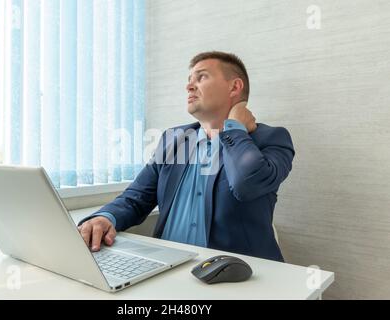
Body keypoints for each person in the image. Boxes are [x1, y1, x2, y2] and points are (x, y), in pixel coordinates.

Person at [78, 51, 295, 262]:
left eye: (201, 77)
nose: (189, 86)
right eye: (189, 79)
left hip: (235, 275)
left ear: (234, 87)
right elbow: (136, 197)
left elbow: (247, 184)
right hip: (167, 267)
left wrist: (234, 129)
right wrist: (104, 217)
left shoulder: (271, 138)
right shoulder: (173, 139)